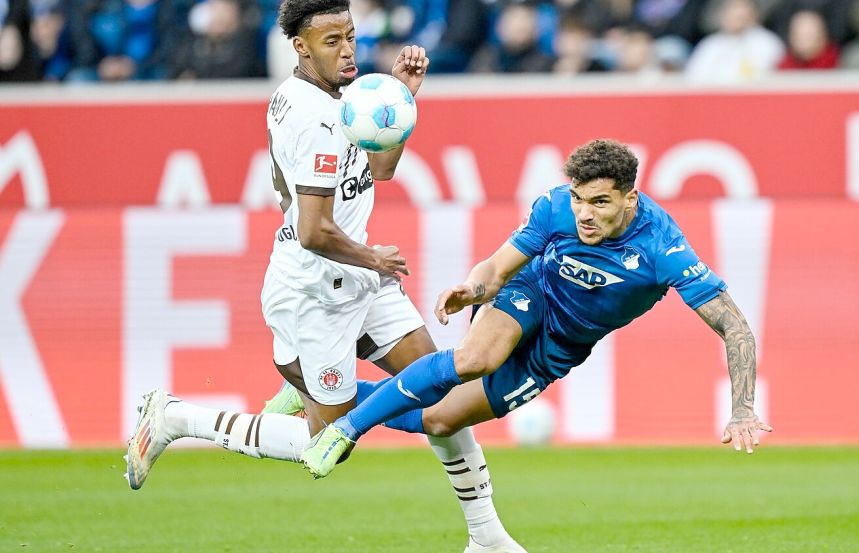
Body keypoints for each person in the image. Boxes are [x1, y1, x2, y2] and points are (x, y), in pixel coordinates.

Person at [125, 1, 525, 552]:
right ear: (300, 46)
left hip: (357, 277)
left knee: (443, 394)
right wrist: (376, 260)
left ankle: (487, 538)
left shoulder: (344, 99)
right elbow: (314, 230)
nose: (346, 51)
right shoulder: (313, 118)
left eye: (351, 37)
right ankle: (179, 417)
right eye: (331, 40)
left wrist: (400, 102)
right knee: (327, 442)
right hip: (316, 290)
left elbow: (379, 168)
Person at [302, 139, 774, 479]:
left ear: (630, 199)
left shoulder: (662, 248)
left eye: (600, 202)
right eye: (579, 199)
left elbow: (735, 328)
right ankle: (344, 429)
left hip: (563, 346)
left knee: (441, 419)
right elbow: (501, 267)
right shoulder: (555, 208)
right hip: (532, 292)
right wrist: (473, 288)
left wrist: (743, 409)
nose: (585, 213)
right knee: (474, 359)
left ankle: (322, 386)